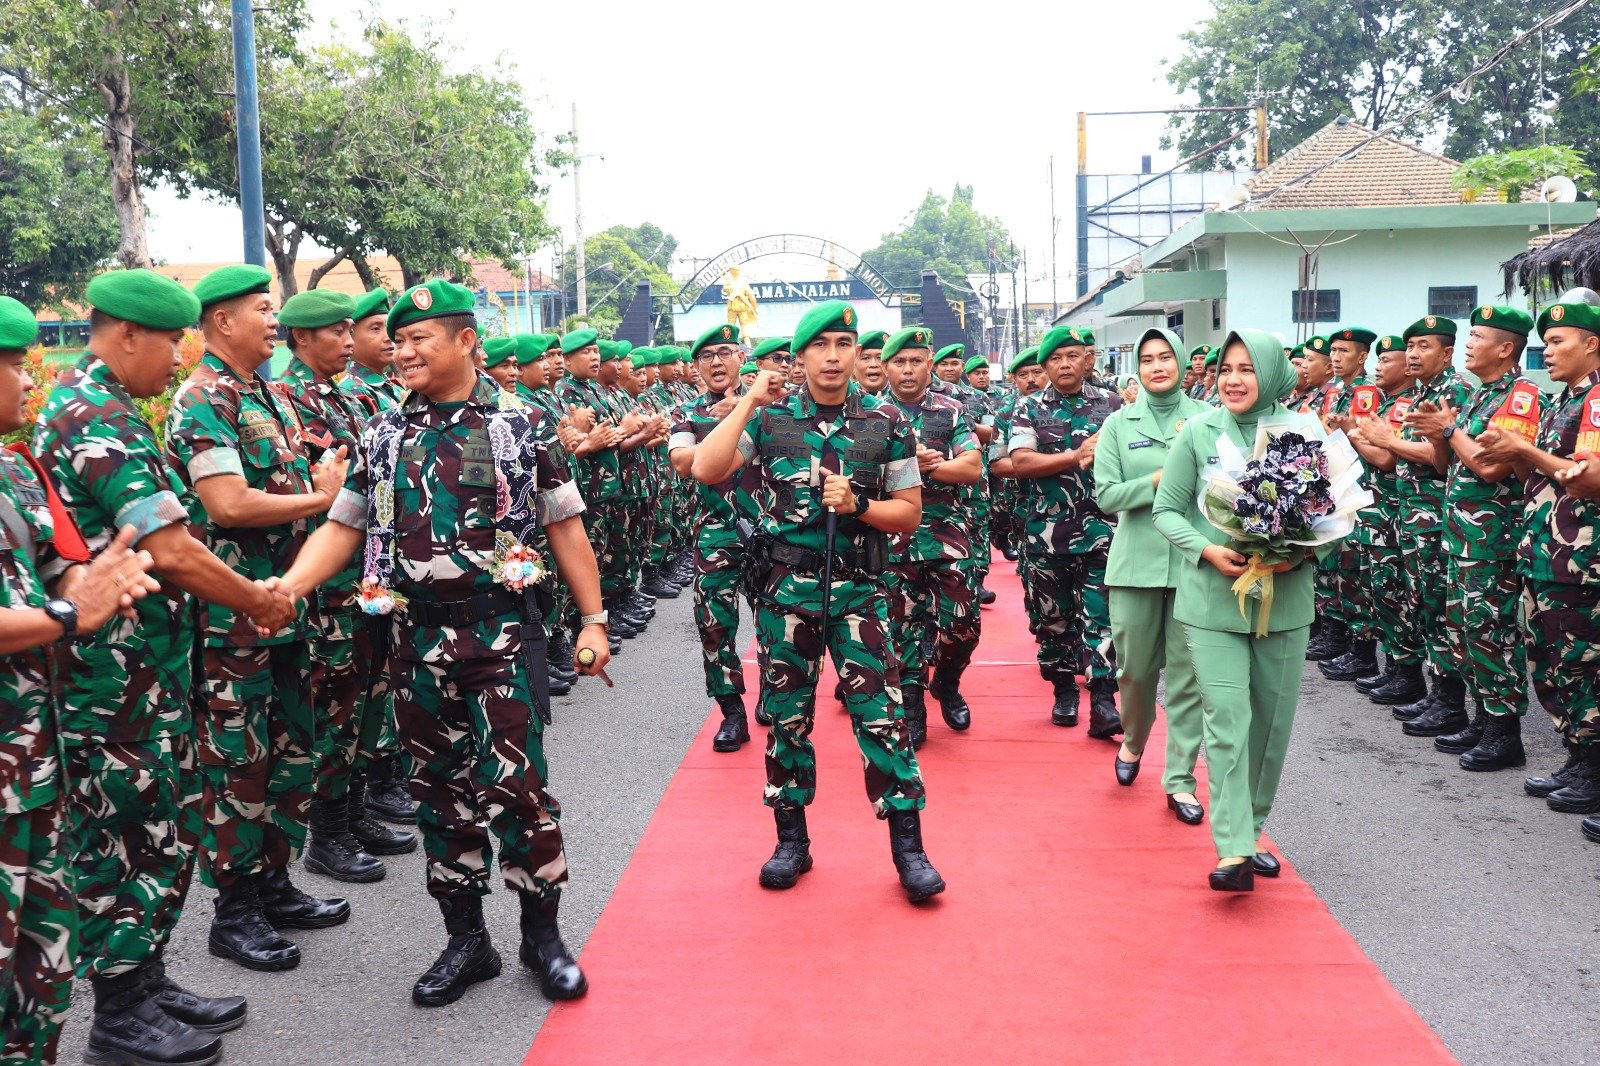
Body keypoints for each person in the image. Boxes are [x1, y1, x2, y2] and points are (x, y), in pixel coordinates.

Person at [277, 279, 610, 1005]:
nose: (402, 353)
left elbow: (564, 525)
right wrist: (289, 589)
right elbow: (345, 524)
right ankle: (467, 941)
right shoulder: (384, 433)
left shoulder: (522, 427)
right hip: (412, 642)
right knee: (439, 795)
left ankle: (541, 936)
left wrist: (593, 620)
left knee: (519, 789)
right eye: (396, 342)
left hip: (499, 633)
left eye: (418, 340)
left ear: (464, 340)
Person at [34, 271, 296, 1062]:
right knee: (121, 834)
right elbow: (173, 549)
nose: (181, 357)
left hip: (139, 669)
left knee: (154, 828)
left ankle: (143, 982)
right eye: (171, 339)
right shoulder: (92, 416)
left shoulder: (107, 409)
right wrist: (255, 598)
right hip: (104, 681)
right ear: (124, 336)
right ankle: (119, 1014)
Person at [689, 299, 943, 903]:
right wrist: (749, 399)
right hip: (787, 596)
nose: (833, 357)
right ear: (800, 358)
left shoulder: (885, 424)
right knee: (785, 718)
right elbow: (706, 467)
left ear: (859, 354)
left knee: (881, 718)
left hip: (862, 592)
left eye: (843, 346)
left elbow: (908, 515)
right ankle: (790, 839)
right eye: (820, 347)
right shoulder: (770, 420)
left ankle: (909, 848)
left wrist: (859, 507)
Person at [165, 265, 353, 971]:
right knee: (238, 763)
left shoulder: (269, 395)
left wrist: (320, 491)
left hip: (288, 610)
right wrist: (319, 501)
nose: (273, 321)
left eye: (274, 310)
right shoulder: (200, 400)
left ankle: (275, 881)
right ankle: (234, 910)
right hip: (232, 621)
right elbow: (229, 505)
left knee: (290, 753)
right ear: (220, 322)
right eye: (260, 309)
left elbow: (306, 475)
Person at [0, 294, 163, 1064]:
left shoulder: (14, 468)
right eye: (10, 364)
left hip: (36, 759)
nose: (29, 379)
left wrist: (99, 578)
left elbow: (63, 566)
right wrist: (70, 614)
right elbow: (60, 605)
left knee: (44, 972)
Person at [1152, 328, 1338, 891]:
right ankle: (1232, 848)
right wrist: (1206, 548)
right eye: (1227, 369)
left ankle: (1253, 829)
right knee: (1228, 721)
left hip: (1285, 602)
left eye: (1247, 369)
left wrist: (1299, 553)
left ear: (1272, 372)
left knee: (1271, 725)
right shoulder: (1198, 431)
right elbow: (1166, 510)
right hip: (1212, 601)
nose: (1233, 380)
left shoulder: (1307, 430)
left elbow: (1335, 519)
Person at [274, 289, 417, 884]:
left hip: (363, 578)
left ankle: (354, 814)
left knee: (364, 702)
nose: (350, 339)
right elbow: (318, 493)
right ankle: (327, 834)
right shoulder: (291, 399)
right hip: (326, 583)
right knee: (334, 712)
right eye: (338, 330)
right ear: (303, 338)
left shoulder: (341, 396)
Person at [1475, 299, 1600, 823]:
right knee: (1550, 664)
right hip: (1544, 554)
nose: (1545, 351)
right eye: (1545, 343)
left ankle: (1594, 767)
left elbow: (1590, 478)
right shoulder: (1562, 401)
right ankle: (1578, 757)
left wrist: (1524, 452)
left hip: (1580, 560)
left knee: (1583, 667)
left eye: (1558, 342)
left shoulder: (1595, 400)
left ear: (1591, 344)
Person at [1406, 305, 1541, 772]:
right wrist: (1443, 437)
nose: (1468, 342)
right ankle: (1484, 719)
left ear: (1505, 348)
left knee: (1491, 632)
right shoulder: (1482, 396)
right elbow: (1448, 467)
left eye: (1478, 335)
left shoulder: (1521, 397)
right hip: (1461, 539)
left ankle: (1505, 733)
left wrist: (1447, 430)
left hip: (1492, 542)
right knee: (1463, 629)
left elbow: (1489, 467)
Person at [1093, 328, 1208, 825]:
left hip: (1192, 564)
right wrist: (1158, 480)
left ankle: (1180, 778)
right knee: (1135, 671)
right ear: (1136, 369)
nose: (1157, 366)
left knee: (1187, 677)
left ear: (1181, 363)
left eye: (1166, 357)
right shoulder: (1119, 424)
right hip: (1135, 563)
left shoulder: (1208, 420)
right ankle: (1134, 739)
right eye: (1147, 359)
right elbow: (1107, 496)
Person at [1007, 326, 1123, 736]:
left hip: (1103, 531)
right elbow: (1020, 462)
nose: (1065, 364)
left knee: (1104, 618)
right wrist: (1075, 456)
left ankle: (1105, 701)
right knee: (1053, 620)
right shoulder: (1029, 408)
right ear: (1045, 365)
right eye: (1055, 358)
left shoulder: (1113, 405)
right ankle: (1063, 690)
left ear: (1087, 360)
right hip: (1046, 535)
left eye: (1072, 356)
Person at [1365, 317, 1474, 735]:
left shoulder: (1456, 391)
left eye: (1423, 346)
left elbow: (1438, 456)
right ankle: (1436, 692)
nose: (1412, 354)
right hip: (1413, 516)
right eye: (1409, 346)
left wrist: (1388, 440)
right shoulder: (1424, 393)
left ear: (1446, 353)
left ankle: (1450, 701)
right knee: (1423, 605)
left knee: (1438, 608)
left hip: (1434, 519)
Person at [879, 327, 983, 747]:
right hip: (890, 540)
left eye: (916, 361)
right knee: (901, 630)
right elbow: (856, 480)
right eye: (899, 362)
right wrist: (908, 463)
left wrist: (925, 469)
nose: (907, 370)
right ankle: (913, 706)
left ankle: (947, 681)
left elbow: (972, 467)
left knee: (964, 625)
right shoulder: (869, 415)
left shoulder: (951, 410)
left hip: (946, 536)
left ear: (929, 365)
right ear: (886, 367)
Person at [336, 287, 415, 827]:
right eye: (377, 331)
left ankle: (380, 780)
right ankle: (348, 808)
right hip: (343, 575)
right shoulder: (353, 394)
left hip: (384, 569)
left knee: (378, 687)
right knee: (348, 700)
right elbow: (348, 503)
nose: (389, 342)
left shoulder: (386, 394)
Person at [669, 323, 758, 751]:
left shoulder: (771, 407)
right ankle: (732, 711)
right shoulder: (686, 414)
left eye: (725, 352)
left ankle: (778, 697)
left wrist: (746, 409)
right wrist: (729, 425)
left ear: (742, 357)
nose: (717, 362)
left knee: (779, 621)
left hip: (770, 529)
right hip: (716, 532)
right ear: (696, 366)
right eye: (707, 356)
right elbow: (685, 462)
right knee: (714, 625)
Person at [1344, 336, 1425, 703]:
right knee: (1379, 593)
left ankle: (1407, 676)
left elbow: (1387, 458)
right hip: (1383, 514)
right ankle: (1395, 669)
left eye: (1386, 360)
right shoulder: (1392, 402)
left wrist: (1354, 434)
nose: (1379, 366)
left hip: (1398, 516)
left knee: (1398, 597)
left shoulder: (1408, 403)